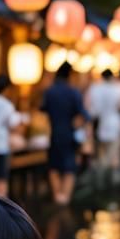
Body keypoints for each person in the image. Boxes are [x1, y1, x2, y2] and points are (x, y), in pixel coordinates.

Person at [41, 62, 87, 205]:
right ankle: (65, 198)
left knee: (54, 166)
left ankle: (57, 196)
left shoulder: (50, 92)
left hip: (54, 134)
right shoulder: (73, 92)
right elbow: (84, 115)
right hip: (69, 134)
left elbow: (42, 110)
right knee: (69, 167)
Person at [84, 69, 120, 184]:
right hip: (114, 123)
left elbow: (91, 109)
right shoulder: (117, 89)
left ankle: (105, 178)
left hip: (101, 124)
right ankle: (110, 177)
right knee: (114, 153)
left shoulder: (95, 89)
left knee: (104, 150)